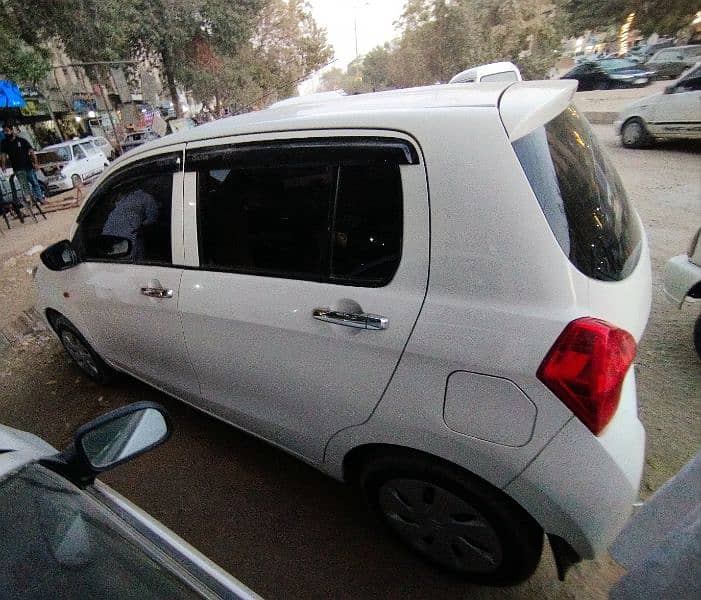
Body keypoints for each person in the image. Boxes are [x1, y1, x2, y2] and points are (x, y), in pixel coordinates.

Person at [0, 123, 46, 204]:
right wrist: (3, 165)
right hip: (18, 168)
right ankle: (30, 203)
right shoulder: (4, 143)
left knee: (34, 182)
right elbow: (3, 155)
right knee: (24, 186)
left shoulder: (21, 140)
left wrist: (36, 163)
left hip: (28, 166)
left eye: (7, 131)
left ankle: (40, 198)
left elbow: (32, 152)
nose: (6, 133)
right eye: (4, 132)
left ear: (12, 130)